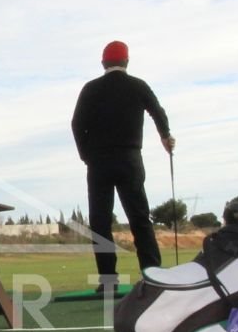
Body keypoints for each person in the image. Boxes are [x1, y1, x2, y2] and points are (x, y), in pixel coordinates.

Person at [71, 40, 175, 289]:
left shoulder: (90, 88)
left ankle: (108, 280)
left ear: (103, 63)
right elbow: (157, 112)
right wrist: (165, 136)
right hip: (130, 158)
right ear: (126, 61)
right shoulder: (137, 86)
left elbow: (77, 124)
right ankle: (152, 275)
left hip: (98, 161)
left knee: (100, 221)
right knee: (139, 218)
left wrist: (86, 154)